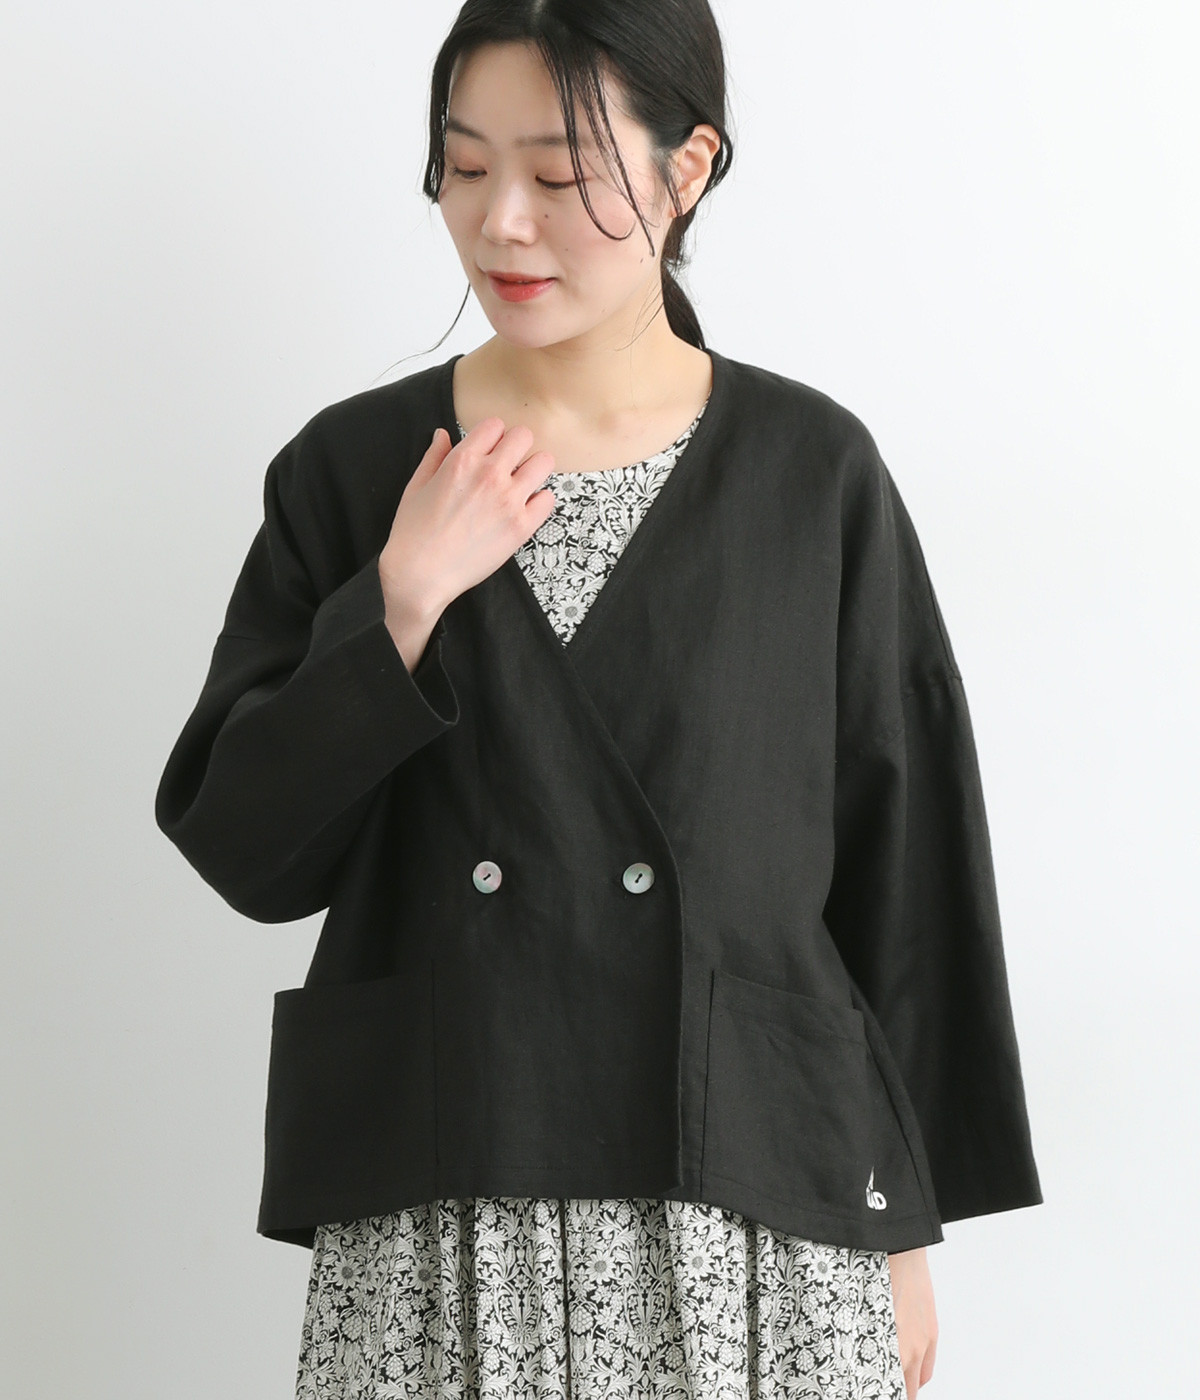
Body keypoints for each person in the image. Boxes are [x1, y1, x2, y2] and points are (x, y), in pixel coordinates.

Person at [155, 3, 1042, 1397]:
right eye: (464, 167)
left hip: (753, 1207)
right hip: (448, 1199)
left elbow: (906, 864)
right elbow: (244, 847)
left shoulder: (811, 473)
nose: (500, 222)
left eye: (560, 177)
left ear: (688, 169)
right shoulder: (356, 470)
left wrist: (906, 1220)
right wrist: (400, 601)